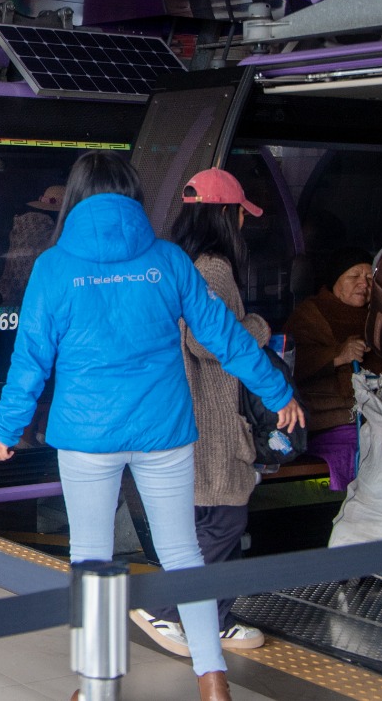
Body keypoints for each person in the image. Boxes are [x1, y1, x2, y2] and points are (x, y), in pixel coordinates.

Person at [0, 152, 301, 701]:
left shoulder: (54, 267)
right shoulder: (168, 260)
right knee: (183, 554)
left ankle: (98, 685)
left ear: (79, 197)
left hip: (87, 436)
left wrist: (5, 430)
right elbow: (225, 337)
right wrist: (279, 394)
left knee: (93, 556)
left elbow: (30, 360)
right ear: (133, 194)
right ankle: (212, 676)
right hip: (164, 430)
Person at [131, 168, 274, 658]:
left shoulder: (174, 263)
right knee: (223, 522)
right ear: (227, 216)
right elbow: (208, 342)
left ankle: (214, 619)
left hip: (178, 413)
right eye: (241, 214)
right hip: (208, 418)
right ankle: (167, 612)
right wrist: (257, 326)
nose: (244, 224)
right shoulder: (212, 269)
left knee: (208, 522)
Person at [285, 247, 375, 493]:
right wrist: (338, 355)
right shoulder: (311, 313)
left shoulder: (378, 317)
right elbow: (290, 363)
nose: (363, 283)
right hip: (328, 419)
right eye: (354, 276)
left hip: (373, 414)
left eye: (369, 278)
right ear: (336, 280)